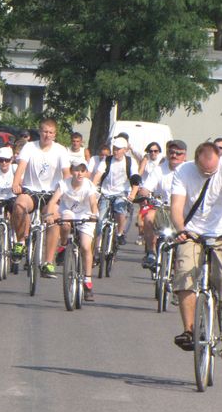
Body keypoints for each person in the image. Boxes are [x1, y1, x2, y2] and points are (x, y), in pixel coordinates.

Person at [170, 142, 222, 359]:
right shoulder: (184, 171)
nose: (208, 173)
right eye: (204, 171)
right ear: (196, 161)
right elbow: (176, 205)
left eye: (212, 170)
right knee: (184, 276)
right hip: (192, 232)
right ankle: (189, 330)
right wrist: (181, 230)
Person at [10, 117, 71, 277]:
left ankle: (48, 262)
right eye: (44, 131)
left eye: (50, 132)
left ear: (55, 134)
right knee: (19, 206)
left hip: (51, 193)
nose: (47, 135)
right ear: (40, 132)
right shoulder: (30, 147)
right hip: (31, 190)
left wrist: (67, 191)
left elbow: (66, 174)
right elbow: (21, 167)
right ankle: (20, 242)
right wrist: (16, 183)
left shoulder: (60, 150)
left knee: (54, 218)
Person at [45, 161, 99, 300]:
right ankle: (63, 246)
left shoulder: (89, 185)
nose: (79, 173)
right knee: (65, 224)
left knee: (85, 246)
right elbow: (53, 201)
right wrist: (49, 215)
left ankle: (87, 282)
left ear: (86, 172)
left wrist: (94, 214)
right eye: (76, 170)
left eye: (82, 170)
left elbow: (93, 202)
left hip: (86, 215)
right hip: (68, 211)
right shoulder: (64, 183)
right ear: (71, 171)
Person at [138, 140, 187, 268]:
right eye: (171, 152)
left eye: (178, 153)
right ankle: (151, 252)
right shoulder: (159, 169)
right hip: (162, 208)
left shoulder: (189, 170)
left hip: (182, 209)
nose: (174, 155)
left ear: (185, 156)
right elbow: (146, 187)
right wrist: (143, 195)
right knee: (148, 218)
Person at [92, 136, 142, 246]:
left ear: (125, 150)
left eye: (118, 149)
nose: (116, 151)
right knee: (100, 219)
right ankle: (97, 246)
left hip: (122, 192)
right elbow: (98, 175)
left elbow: (135, 179)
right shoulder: (107, 160)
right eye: (114, 148)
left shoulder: (130, 162)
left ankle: (120, 233)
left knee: (120, 211)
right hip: (106, 192)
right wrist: (92, 189)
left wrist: (133, 194)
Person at [136, 141, 164, 245]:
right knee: (143, 212)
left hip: (156, 191)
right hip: (145, 189)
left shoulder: (162, 160)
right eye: (151, 151)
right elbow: (140, 171)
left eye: (155, 151)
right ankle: (141, 234)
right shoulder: (146, 159)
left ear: (159, 152)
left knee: (157, 213)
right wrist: (136, 183)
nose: (153, 153)